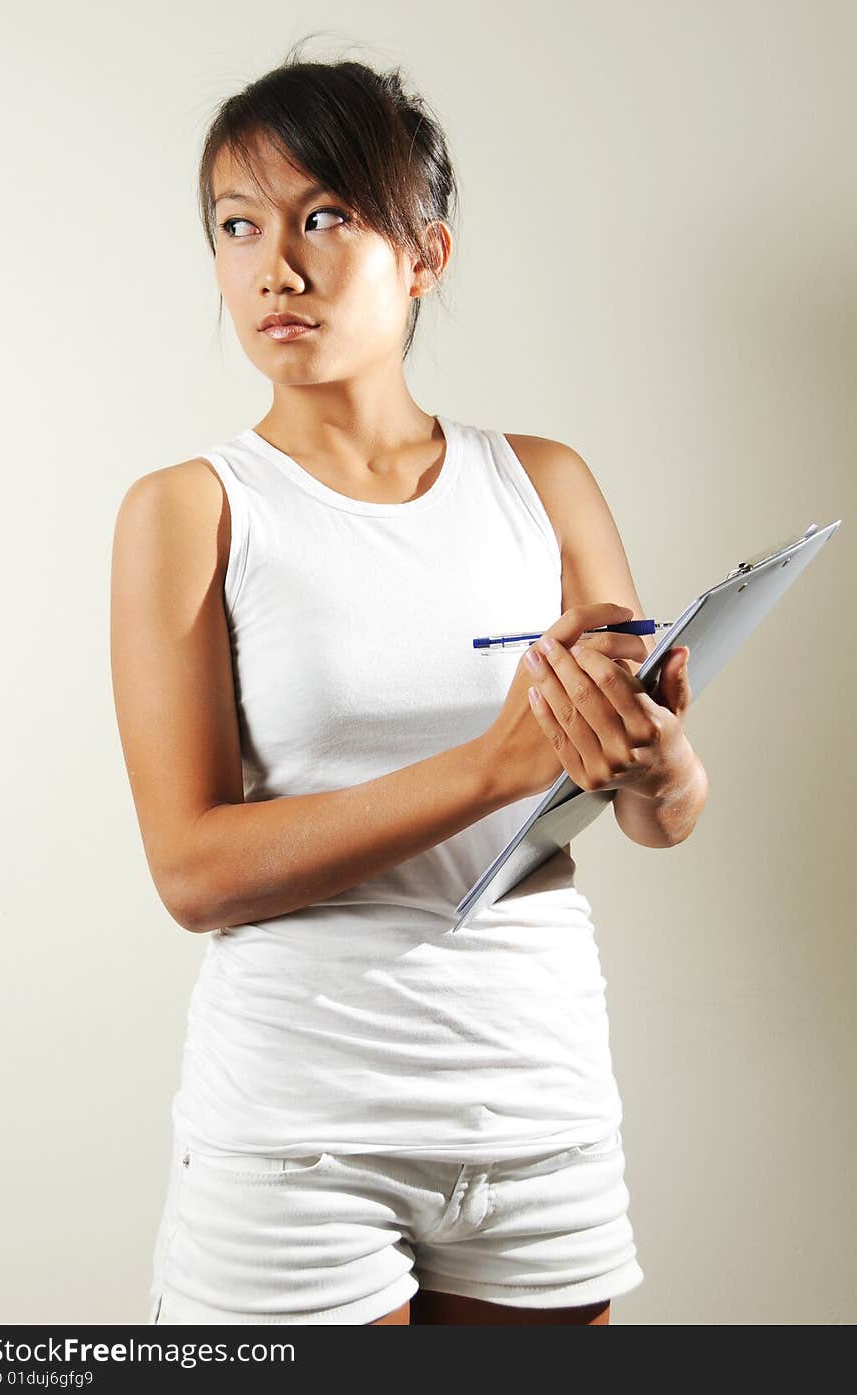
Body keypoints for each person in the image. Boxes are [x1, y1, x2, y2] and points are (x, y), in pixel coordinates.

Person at [110, 40, 708, 1327]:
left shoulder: (542, 481)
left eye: (326, 215)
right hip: (299, 1129)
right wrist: (495, 764)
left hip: (534, 1093)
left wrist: (658, 763)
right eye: (237, 224)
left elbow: (654, 816)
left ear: (425, 252)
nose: (276, 265)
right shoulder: (191, 512)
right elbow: (192, 872)